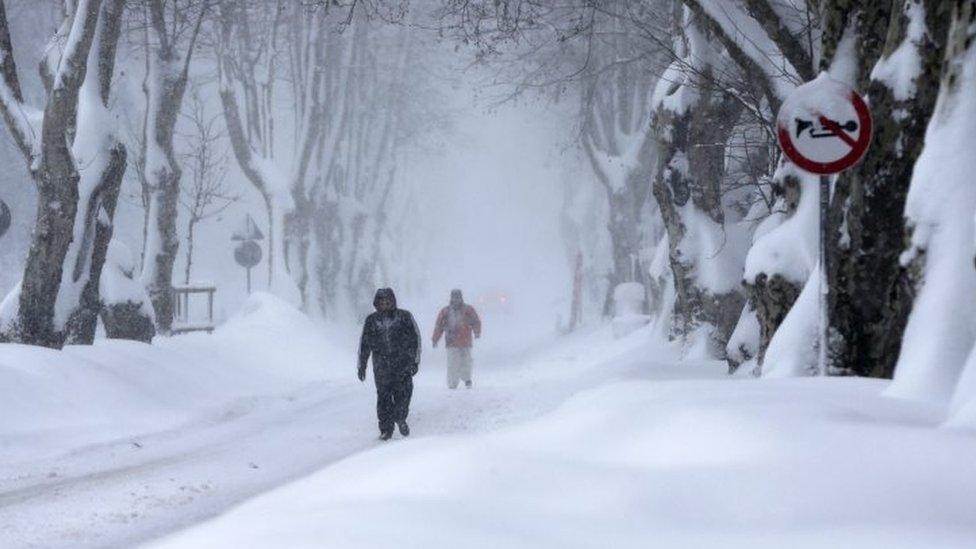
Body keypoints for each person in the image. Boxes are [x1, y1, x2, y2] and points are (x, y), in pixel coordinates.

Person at [358, 288, 421, 440]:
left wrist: (414, 361)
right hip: (381, 366)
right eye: (381, 301)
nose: (385, 304)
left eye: (388, 301)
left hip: (403, 364)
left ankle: (400, 418)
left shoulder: (404, 317)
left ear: (393, 301)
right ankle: (386, 429)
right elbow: (364, 344)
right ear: (376, 303)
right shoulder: (371, 321)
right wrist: (362, 364)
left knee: (403, 394)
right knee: (383, 397)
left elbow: (415, 340)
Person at [432, 289, 482, 389]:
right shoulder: (445, 312)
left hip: (465, 341)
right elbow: (439, 326)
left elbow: (476, 321)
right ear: (451, 298)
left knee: (466, 361)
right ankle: (452, 383)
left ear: (461, 298)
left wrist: (477, 332)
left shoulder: (468, 310)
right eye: (454, 297)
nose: (456, 300)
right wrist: (435, 339)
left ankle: (467, 379)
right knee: (452, 364)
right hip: (451, 343)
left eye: (458, 297)